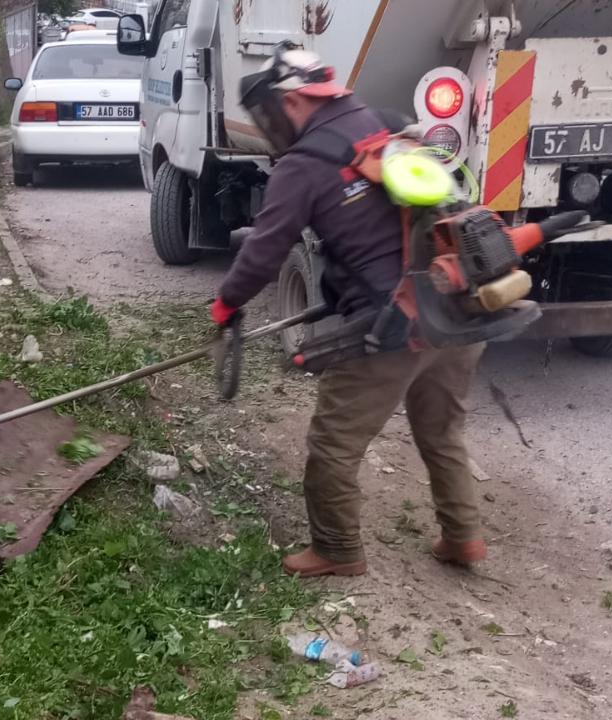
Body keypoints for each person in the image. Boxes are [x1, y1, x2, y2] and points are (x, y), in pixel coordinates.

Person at [209, 46, 488, 578]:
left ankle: (337, 550)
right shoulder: (381, 123)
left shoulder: (304, 164)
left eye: (273, 111)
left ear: (293, 101)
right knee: (443, 432)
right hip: (458, 306)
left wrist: (226, 303)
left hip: (396, 323)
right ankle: (463, 538)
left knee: (333, 444)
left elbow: (265, 250)